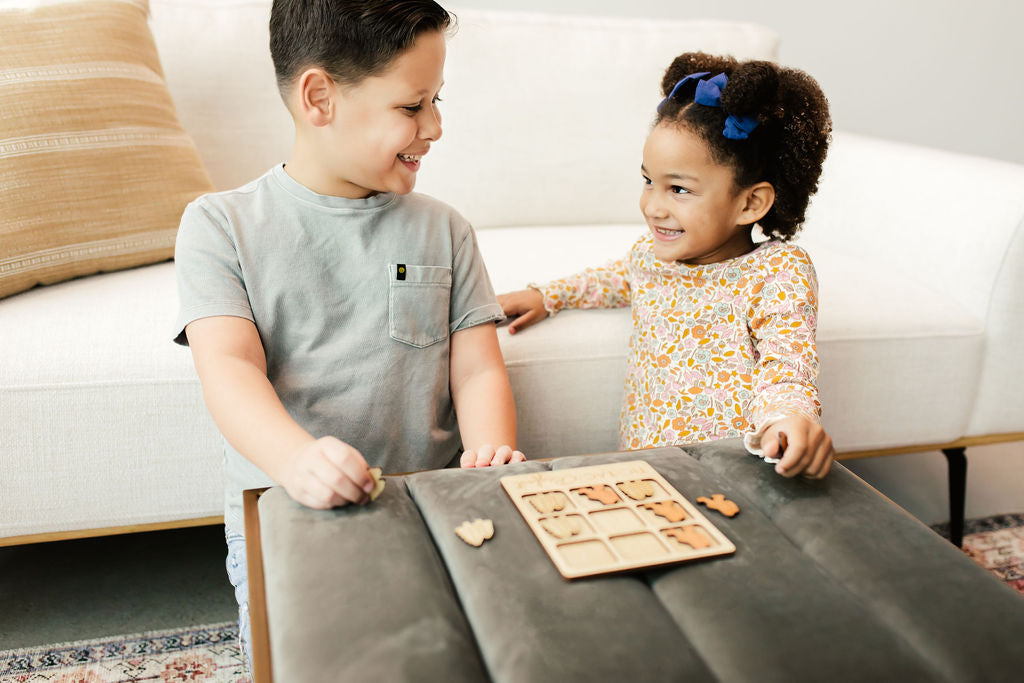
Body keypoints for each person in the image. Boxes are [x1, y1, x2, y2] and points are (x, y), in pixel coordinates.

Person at [172, 0, 524, 660]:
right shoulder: (219, 225)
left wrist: (489, 454)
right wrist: (297, 461)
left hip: (434, 510)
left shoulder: (445, 229)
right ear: (319, 98)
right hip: (294, 513)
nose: (436, 127)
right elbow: (229, 368)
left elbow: (476, 368)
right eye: (413, 105)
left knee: (476, 649)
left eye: (437, 101)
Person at [499, 51, 835, 479]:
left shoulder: (777, 272)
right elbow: (614, 277)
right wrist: (547, 295)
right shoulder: (651, 257)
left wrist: (789, 420)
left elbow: (788, 365)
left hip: (731, 477)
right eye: (648, 181)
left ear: (750, 202)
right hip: (643, 469)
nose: (652, 206)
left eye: (678, 189)